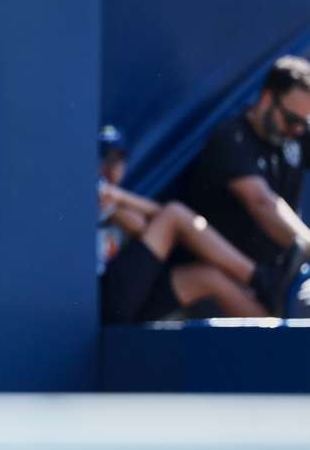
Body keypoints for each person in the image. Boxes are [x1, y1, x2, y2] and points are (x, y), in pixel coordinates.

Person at [97, 125, 273, 323]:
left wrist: (120, 198)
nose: (111, 168)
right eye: (105, 159)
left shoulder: (118, 201)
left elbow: (145, 222)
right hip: (99, 301)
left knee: (208, 277)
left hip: (128, 300)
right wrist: (115, 202)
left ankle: (278, 329)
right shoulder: (85, 194)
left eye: (118, 160)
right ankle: (259, 277)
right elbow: (156, 220)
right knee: (175, 213)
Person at [182, 55, 310, 316]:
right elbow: (263, 203)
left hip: (282, 281)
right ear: (266, 98)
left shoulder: (298, 135)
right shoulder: (231, 138)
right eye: (291, 120)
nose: (297, 130)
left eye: (303, 123)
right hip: (234, 285)